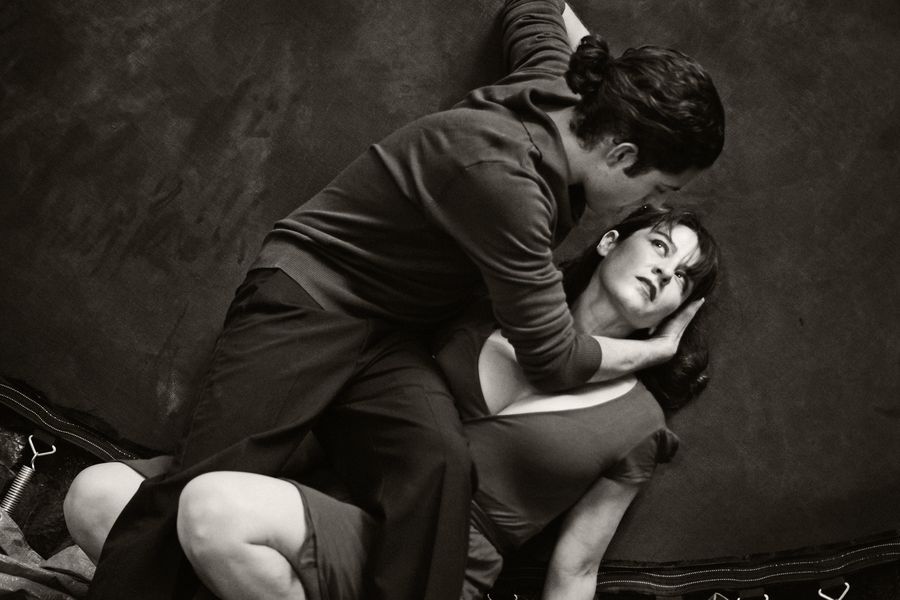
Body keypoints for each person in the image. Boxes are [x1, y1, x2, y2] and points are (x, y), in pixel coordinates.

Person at [84, 0, 725, 598]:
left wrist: (619, 83)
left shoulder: (558, 83)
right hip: (310, 301)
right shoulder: (511, 188)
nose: (649, 205)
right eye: (657, 189)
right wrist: (657, 351)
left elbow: (536, 6)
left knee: (438, 464)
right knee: (193, 491)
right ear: (622, 154)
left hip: (389, 333)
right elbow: (555, 359)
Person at [66, 204, 721, 600]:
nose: (664, 271)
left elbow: (575, 569)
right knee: (97, 496)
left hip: (431, 567)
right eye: (660, 246)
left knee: (215, 512)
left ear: (678, 311)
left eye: (682, 279)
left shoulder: (638, 423)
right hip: (326, 496)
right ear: (610, 241)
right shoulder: (488, 307)